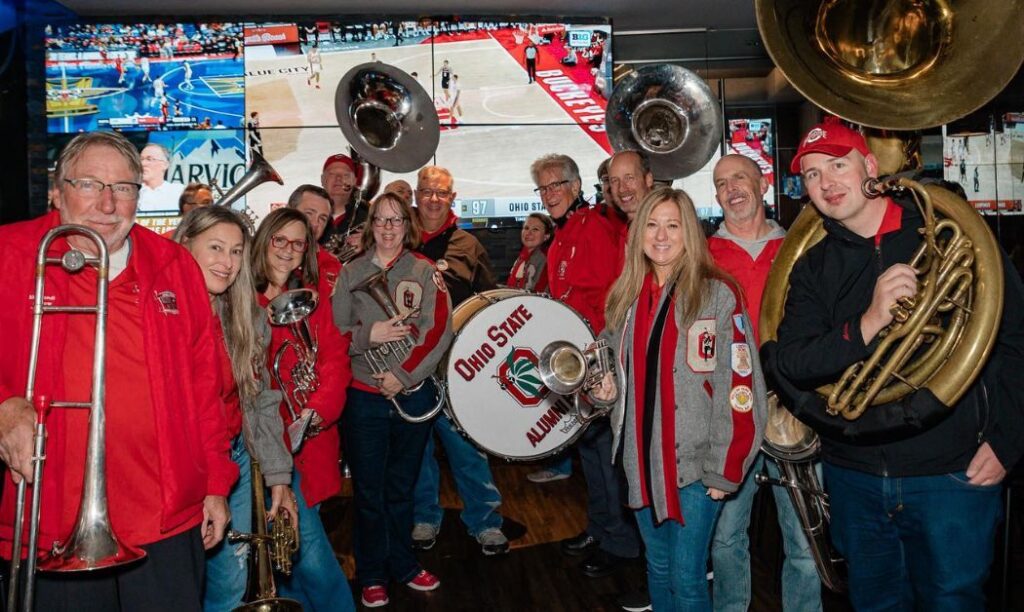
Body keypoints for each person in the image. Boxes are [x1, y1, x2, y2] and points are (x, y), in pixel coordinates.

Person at [764, 121, 1024, 610]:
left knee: (954, 601)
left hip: (952, 470)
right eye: (813, 175)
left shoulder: (952, 237)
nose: (827, 183)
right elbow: (793, 360)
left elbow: (1016, 339)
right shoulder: (813, 266)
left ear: (870, 166)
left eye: (838, 165)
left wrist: (1009, 440)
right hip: (853, 471)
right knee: (875, 603)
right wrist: (866, 325)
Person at [0, 130, 235, 611]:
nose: (107, 204)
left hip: (165, 523)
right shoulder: (10, 253)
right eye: (89, 184)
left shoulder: (173, 264)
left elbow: (206, 388)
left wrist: (214, 484)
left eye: (123, 188)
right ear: (57, 189)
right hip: (52, 523)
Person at [591, 186, 767, 612]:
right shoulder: (625, 297)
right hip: (639, 461)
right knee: (659, 568)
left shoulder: (718, 294)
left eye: (673, 225)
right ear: (637, 234)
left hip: (696, 466)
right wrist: (602, 391)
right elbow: (606, 369)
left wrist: (726, 470)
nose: (662, 235)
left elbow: (741, 387)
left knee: (688, 577)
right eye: (651, 225)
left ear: (690, 233)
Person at [706, 154, 820, 612]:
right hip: (729, 417)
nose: (731, 189)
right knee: (726, 537)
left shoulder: (801, 246)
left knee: (804, 539)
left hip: (793, 410)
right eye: (721, 184)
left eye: (740, 178)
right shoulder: (702, 255)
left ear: (762, 184)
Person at [172, 207, 298, 612]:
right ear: (183, 246)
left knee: (229, 583)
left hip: (233, 459)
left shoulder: (248, 316)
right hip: (175, 467)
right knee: (176, 586)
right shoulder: (158, 315)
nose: (226, 262)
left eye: (236, 251)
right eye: (214, 248)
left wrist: (279, 478)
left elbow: (259, 401)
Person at [332, 192, 452, 608]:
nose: (387, 228)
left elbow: (437, 330)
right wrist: (370, 335)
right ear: (370, 226)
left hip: (410, 392)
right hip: (363, 398)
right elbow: (336, 332)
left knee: (403, 487)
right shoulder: (350, 273)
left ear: (407, 226)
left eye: (396, 220)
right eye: (380, 220)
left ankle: (403, 562)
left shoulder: (423, 270)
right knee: (368, 491)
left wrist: (402, 376)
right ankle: (371, 572)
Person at [531, 153, 640, 577]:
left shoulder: (591, 227)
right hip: (579, 358)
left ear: (576, 187)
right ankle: (602, 527)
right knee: (591, 455)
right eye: (542, 188)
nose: (549, 194)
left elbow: (605, 297)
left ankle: (621, 543)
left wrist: (594, 358)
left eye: (556, 185)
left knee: (602, 455)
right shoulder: (564, 232)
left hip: (595, 358)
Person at [251, 208, 356, 612]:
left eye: (298, 243)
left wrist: (315, 411)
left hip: (305, 442)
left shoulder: (312, 299)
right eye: (280, 240)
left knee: (303, 553)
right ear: (264, 242)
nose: (288, 250)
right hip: (263, 445)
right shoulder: (244, 300)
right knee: (286, 558)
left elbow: (335, 359)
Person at [410, 166, 510, 555]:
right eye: (427, 191)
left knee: (468, 449)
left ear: (453, 198)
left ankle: (485, 520)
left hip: (456, 369)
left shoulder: (468, 245)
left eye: (442, 193)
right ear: (416, 195)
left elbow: (490, 301)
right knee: (418, 450)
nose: (434, 199)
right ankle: (424, 516)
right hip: (413, 368)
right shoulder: (398, 239)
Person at [287, 184, 341, 297]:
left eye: (322, 218)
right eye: (309, 213)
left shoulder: (333, 266)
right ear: (288, 210)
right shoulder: (267, 255)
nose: (315, 224)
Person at [320, 153, 368, 249]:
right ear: (322, 179)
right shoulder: (304, 214)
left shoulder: (369, 216)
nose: (338, 178)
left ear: (354, 181)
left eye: (346, 175)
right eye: (332, 174)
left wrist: (371, 244)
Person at [507, 211, 553, 292]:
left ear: (546, 236)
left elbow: (539, 296)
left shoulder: (546, 260)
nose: (529, 233)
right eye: (526, 228)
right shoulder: (522, 257)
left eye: (535, 229)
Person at [138, 142, 184, 213]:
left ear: (165, 165)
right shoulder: (132, 193)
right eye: (141, 159)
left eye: (149, 159)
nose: (143, 164)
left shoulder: (179, 192)